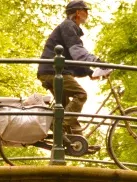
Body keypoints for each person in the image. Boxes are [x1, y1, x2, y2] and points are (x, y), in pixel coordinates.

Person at [37, 0, 103, 136]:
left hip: (51, 70)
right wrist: (98, 62)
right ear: (78, 12)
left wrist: (90, 72)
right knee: (81, 95)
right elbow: (77, 51)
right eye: (86, 11)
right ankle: (57, 126)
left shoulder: (69, 27)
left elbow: (72, 58)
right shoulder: (68, 26)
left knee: (67, 111)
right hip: (53, 71)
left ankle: (75, 142)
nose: (87, 14)